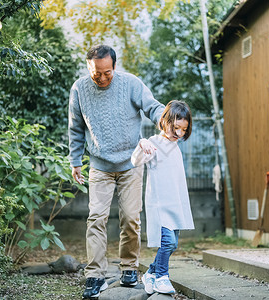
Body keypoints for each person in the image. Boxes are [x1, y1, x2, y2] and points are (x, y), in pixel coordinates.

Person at [68, 44, 165, 299]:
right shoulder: (79, 88)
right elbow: (76, 127)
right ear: (89, 68)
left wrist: (167, 119)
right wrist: (75, 160)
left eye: (107, 73)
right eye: (96, 73)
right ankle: (95, 275)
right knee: (96, 219)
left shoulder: (131, 84)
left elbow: (152, 107)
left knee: (131, 219)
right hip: (99, 165)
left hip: (131, 163)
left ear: (114, 66)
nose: (101, 78)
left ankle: (129, 267)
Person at [130, 100, 194, 294]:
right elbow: (136, 160)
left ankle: (150, 272)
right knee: (167, 242)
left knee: (173, 244)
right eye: (176, 128)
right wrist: (142, 143)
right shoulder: (155, 142)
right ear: (165, 121)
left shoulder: (174, 147)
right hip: (160, 204)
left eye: (184, 130)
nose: (180, 134)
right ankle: (162, 277)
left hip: (174, 203)